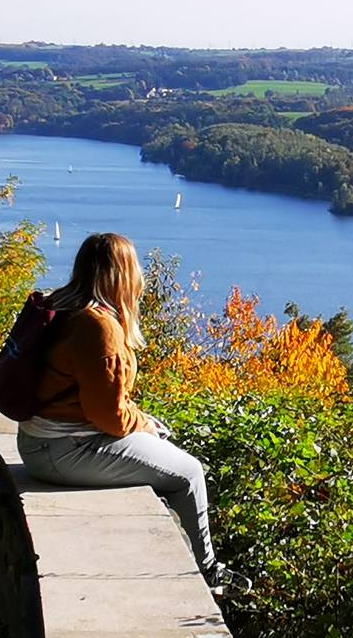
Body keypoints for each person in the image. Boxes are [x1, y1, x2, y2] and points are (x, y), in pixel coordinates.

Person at [17, 233, 222, 580]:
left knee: (158, 449)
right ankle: (208, 572)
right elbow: (109, 418)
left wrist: (141, 423)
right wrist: (145, 424)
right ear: (124, 275)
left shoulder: (61, 306)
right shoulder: (98, 327)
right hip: (63, 451)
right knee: (189, 474)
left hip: (36, 441)